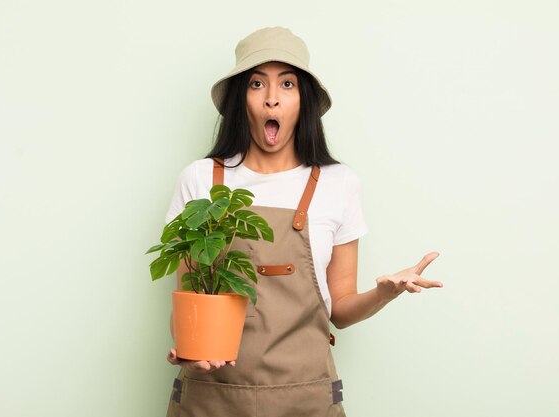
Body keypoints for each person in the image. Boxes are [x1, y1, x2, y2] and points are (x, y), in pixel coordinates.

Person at [163, 27, 443, 417]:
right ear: (240, 98)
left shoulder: (339, 183)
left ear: (304, 100)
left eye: (288, 84)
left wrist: (385, 292)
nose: (272, 98)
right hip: (212, 397)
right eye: (257, 83)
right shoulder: (199, 179)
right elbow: (188, 300)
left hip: (306, 399)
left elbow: (340, 310)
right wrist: (189, 350)